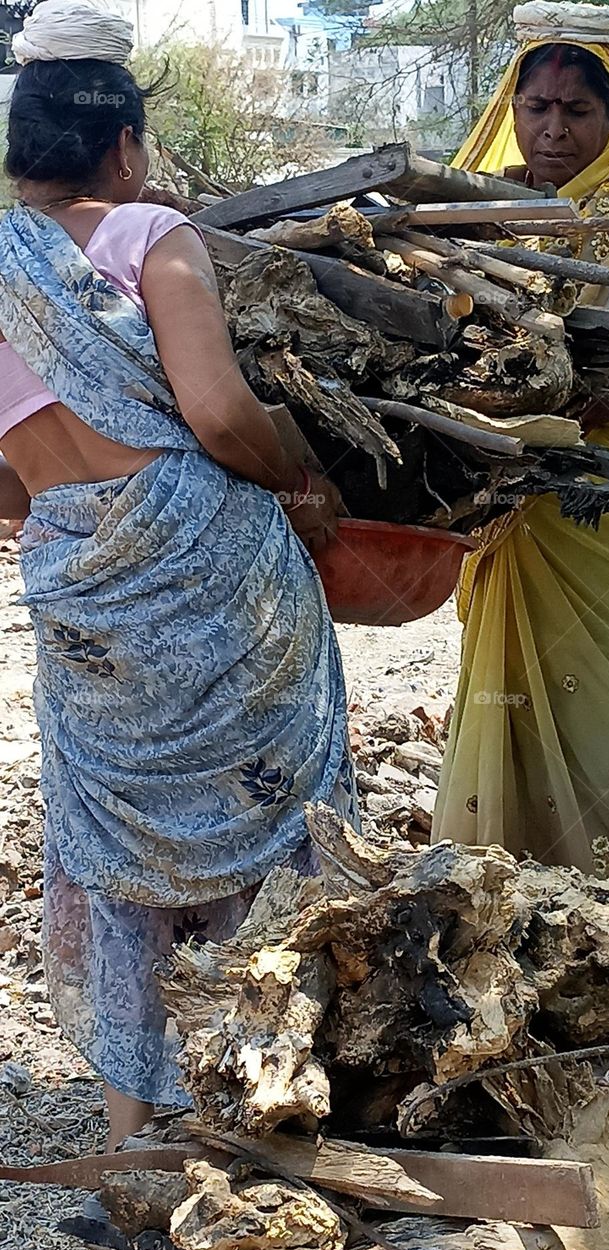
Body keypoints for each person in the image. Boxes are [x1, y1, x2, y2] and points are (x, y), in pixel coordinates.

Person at [0, 0, 356, 1158]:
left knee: (120, 852)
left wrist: (71, 498)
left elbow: (3, 484)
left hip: (78, 585)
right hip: (212, 569)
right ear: (124, 145)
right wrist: (300, 475)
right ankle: (273, 1100)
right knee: (274, 823)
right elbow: (216, 413)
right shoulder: (151, 234)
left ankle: (134, 1135)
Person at [433, 0, 609, 1095]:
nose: (551, 129)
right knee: (511, 712)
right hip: (525, 503)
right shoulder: (479, 205)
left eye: (575, 110)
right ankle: (527, 981)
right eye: (535, 105)